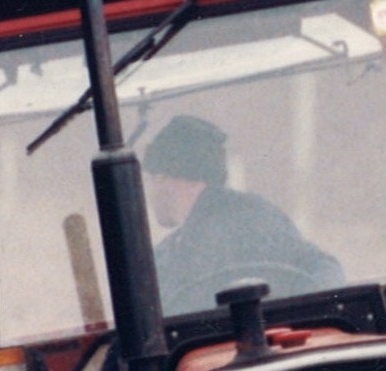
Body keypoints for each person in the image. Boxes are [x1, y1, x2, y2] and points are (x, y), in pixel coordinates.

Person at [139, 114, 344, 317]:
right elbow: (324, 269)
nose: (149, 192)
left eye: (150, 179)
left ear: (163, 177)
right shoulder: (259, 214)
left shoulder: (172, 255)